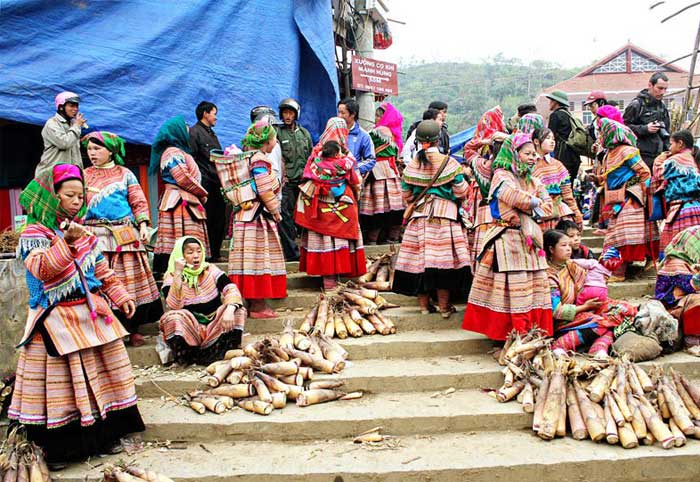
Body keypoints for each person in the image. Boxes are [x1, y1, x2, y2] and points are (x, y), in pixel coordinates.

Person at [10, 164, 144, 467]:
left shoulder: (82, 231)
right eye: (69, 195)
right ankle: (64, 448)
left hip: (90, 314)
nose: (77, 201)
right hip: (54, 320)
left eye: (80, 195)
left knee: (106, 376)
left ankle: (104, 436)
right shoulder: (35, 234)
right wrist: (67, 243)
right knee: (62, 386)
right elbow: (43, 270)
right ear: (51, 196)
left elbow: (99, 269)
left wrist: (120, 295)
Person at [462, 133, 554, 339]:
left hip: (529, 241)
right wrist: (535, 203)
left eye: (533, 154)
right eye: (527, 153)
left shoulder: (533, 179)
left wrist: (532, 205)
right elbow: (512, 196)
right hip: (506, 239)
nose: (533, 158)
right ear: (514, 153)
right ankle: (508, 335)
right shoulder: (501, 175)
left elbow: (549, 208)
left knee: (533, 287)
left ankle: (531, 333)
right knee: (511, 287)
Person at [83, 131, 162, 347]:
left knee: (129, 282)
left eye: (97, 149)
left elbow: (137, 201)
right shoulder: (83, 175)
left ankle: (133, 328)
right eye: (90, 149)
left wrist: (144, 225)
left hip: (124, 234)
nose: (92, 153)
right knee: (102, 282)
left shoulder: (125, 173)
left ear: (111, 151)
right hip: (94, 235)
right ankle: (108, 331)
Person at [393, 120, 470, 318]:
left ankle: (424, 307)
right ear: (438, 139)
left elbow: (407, 195)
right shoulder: (450, 163)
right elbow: (461, 191)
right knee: (443, 264)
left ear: (417, 140)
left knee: (420, 263)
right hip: (446, 217)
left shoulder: (412, 165)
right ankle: (444, 307)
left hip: (419, 216)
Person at [227, 118, 286, 318]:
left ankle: (248, 301)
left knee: (246, 259)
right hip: (257, 218)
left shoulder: (247, 156)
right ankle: (258, 306)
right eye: (274, 140)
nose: (276, 143)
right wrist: (276, 211)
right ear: (266, 142)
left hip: (246, 215)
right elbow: (264, 189)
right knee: (259, 259)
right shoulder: (260, 159)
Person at [159, 236, 246, 364]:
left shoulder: (210, 270)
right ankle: (190, 357)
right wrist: (178, 272)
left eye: (199, 251)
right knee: (174, 317)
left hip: (214, 325)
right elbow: (175, 305)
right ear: (180, 255)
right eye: (190, 252)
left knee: (238, 311)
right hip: (191, 328)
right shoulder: (171, 277)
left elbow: (230, 288)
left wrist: (230, 309)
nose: (196, 256)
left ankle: (221, 353)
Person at [295, 131, 366, 289]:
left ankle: (328, 282)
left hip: (319, 210)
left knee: (323, 242)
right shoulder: (344, 164)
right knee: (339, 241)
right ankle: (340, 278)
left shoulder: (314, 163)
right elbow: (355, 180)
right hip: (342, 209)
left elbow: (306, 173)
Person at [545, 230, 628, 358]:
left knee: (621, 311)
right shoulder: (550, 276)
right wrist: (585, 307)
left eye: (569, 245)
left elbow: (588, 283)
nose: (568, 249)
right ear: (551, 249)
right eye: (563, 245)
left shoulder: (571, 265)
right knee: (601, 323)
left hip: (586, 309)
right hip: (565, 320)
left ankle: (598, 347)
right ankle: (560, 345)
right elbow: (557, 311)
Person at [596, 118, 658, 281]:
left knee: (624, 234)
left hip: (633, 198)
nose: (600, 136)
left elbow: (644, 172)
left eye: (602, 132)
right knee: (620, 234)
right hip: (617, 197)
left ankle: (620, 271)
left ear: (610, 134)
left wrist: (646, 197)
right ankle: (627, 267)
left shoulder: (627, 151)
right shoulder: (608, 154)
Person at [150, 116, 209, 273]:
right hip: (179, 201)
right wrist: (202, 194)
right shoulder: (172, 152)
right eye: (185, 127)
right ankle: (173, 273)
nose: (188, 130)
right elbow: (182, 177)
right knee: (179, 239)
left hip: (185, 199)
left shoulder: (179, 152)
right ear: (178, 131)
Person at [462, 106, 508, 271]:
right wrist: (507, 137)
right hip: (506, 211)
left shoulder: (480, 165)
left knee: (483, 247)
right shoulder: (512, 166)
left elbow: (468, 148)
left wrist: (484, 140)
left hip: (483, 211)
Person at [651, 129, 700, 257]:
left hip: (681, 210)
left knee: (676, 247)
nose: (669, 147)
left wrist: (659, 159)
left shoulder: (675, 160)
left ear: (680, 144)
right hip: (694, 208)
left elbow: (659, 173)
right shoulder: (691, 160)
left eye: (671, 144)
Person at [361, 102, 405, 244]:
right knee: (395, 207)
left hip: (378, 171)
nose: (375, 119)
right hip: (392, 172)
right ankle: (392, 237)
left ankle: (372, 239)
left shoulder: (376, 132)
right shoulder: (395, 134)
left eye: (378, 116)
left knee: (376, 207)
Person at [276, 98, 313, 262]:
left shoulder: (304, 133)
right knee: (286, 216)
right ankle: (291, 252)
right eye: (285, 113)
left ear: (296, 114)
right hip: (287, 182)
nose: (287, 116)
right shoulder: (277, 132)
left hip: (303, 183)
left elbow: (311, 156)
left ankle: (306, 249)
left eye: (290, 112)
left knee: (304, 216)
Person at [189, 101, 225, 261]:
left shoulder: (212, 134)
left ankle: (216, 253)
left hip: (217, 181)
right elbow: (192, 158)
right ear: (205, 114)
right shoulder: (194, 132)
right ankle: (207, 255)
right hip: (204, 182)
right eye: (214, 113)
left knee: (219, 217)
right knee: (207, 217)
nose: (216, 117)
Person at [655, 226, 700, 347]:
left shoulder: (688, 262)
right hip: (672, 306)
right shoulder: (676, 263)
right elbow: (691, 286)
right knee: (698, 301)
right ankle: (692, 339)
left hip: (681, 301)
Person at [532, 128, 583, 230]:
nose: (552, 142)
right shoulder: (530, 164)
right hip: (538, 214)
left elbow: (567, 193)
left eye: (553, 139)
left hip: (559, 213)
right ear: (536, 141)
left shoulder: (557, 165)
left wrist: (577, 214)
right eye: (548, 138)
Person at [623, 72, 671, 169]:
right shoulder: (637, 104)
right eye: (660, 88)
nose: (662, 92)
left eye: (665, 89)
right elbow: (624, 128)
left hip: (659, 157)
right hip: (640, 157)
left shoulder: (662, 107)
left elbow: (666, 132)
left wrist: (668, 153)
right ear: (650, 85)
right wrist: (645, 129)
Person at [35, 91, 87, 177]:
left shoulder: (72, 123)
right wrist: (77, 126)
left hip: (70, 174)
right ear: (61, 107)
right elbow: (64, 143)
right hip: (52, 175)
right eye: (71, 105)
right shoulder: (52, 124)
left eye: (76, 106)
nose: (75, 109)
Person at [546, 90, 582, 181]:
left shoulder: (555, 115)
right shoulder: (569, 115)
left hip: (562, 156)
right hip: (574, 156)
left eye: (551, 101)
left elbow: (550, 135)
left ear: (555, 102)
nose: (549, 103)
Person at [337, 97, 376, 175]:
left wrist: (353, 169)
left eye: (343, 113)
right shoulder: (334, 131)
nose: (339, 116)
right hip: (332, 178)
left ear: (353, 114)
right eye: (338, 112)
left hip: (352, 179)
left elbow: (371, 160)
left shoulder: (363, 135)